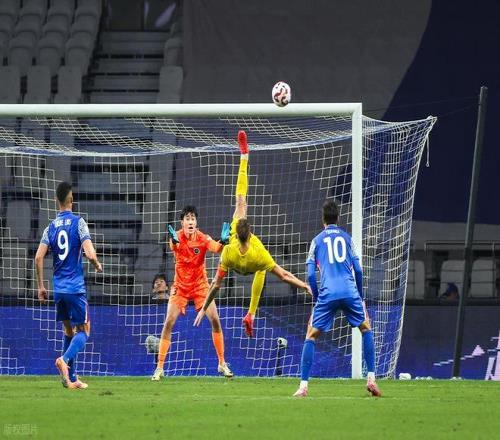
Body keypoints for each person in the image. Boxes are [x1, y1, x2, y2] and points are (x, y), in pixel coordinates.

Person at [194, 130, 312, 337]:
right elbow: (284, 275)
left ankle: (244, 155)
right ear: (250, 235)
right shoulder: (259, 252)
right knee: (263, 268)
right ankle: (251, 313)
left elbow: (216, 285)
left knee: (240, 200)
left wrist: (204, 308)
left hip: (235, 263)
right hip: (253, 263)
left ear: (237, 233)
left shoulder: (228, 252)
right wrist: (305, 286)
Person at [292, 199, 381, 398]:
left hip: (328, 293)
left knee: (311, 335)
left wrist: (317, 298)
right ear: (338, 218)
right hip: (349, 291)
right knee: (366, 328)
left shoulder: (316, 241)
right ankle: (371, 379)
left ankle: (303, 386)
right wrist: (360, 297)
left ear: (323, 219)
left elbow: (310, 275)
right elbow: (358, 270)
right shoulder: (348, 239)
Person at [151, 205, 233, 380]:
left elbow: (216, 248)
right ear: (182, 222)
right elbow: (173, 246)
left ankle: (222, 363)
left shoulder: (202, 238)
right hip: (180, 287)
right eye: (187, 219)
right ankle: (159, 368)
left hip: (200, 286)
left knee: (215, 320)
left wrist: (223, 241)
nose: (190, 222)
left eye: (193, 219)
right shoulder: (176, 237)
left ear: (196, 222)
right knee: (168, 322)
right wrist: (174, 241)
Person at [34, 181, 102, 389]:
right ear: (71, 200)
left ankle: (71, 379)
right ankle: (63, 360)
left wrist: (41, 286)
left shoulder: (50, 228)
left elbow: (38, 257)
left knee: (68, 331)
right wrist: (97, 264)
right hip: (75, 288)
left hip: (58, 289)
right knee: (84, 330)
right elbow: (89, 253)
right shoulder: (79, 222)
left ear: (57, 201)